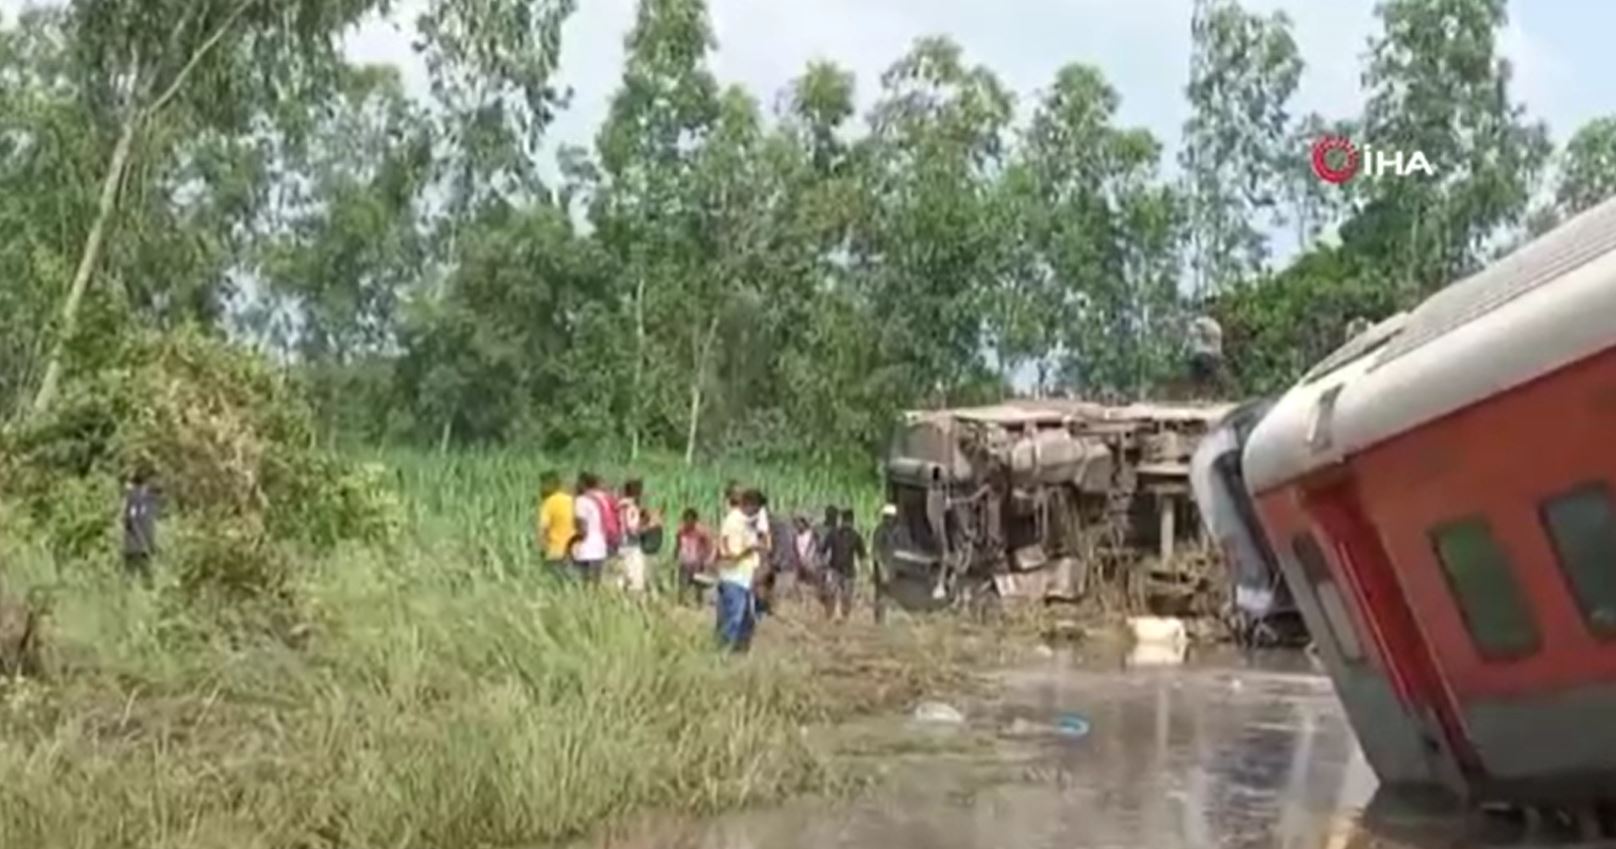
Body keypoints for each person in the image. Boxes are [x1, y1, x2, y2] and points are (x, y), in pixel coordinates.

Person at [716, 489, 763, 652]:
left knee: (743, 620)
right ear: (749, 505)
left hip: (742, 578)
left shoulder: (745, 523)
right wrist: (750, 550)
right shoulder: (735, 523)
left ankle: (734, 654)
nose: (757, 512)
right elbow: (732, 555)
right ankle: (724, 653)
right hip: (734, 577)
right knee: (732, 620)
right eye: (756, 508)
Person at [822, 507, 865, 622]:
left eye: (847, 521)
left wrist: (864, 572)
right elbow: (824, 550)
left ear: (851, 521)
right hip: (834, 569)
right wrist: (824, 566)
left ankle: (844, 620)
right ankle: (829, 617)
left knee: (846, 597)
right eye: (845, 521)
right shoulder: (834, 534)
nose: (846, 524)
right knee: (831, 594)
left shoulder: (855, 536)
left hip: (848, 571)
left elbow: (862, 556)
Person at [618, 478, 659, 594]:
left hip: (621, 544)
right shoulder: (631, 508)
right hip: (632, 546)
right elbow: (633, 530)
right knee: (635, 582)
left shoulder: (620, 507)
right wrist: (649, 527)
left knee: (624, 576)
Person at [121, 466, 160, 584]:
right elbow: (133, 520)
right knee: (145, 578)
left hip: (136, 546)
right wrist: (147, 543)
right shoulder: (142, 499)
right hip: (140, 546)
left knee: (133, 578)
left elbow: (129, 519)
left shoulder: (137, 498)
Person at [571, 472, 610, 583]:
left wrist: (573, 543)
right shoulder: (603, 499)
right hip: (601, 546)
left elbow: (582, 528)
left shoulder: (581, 501)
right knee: (596, 582)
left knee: (585, 583)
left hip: (586, 548)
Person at [536, 471, 575, 578]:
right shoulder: (571, 500)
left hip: (556, 552)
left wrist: (543, 548)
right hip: (574, 551)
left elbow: (542, 529)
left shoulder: (549, 503)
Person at [675, 508, 716, 605]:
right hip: (685, 561)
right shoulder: (681, 532)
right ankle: (682, 602)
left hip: (697, 561)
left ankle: (699, 602)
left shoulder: (700, 532)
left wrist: (707, 559)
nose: (688, 522)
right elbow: (678, 545)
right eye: (686, 520)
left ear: (695, 520)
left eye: (691, 520)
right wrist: (675, 555)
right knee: (683, 583)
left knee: (698, 584)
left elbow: (708, 545)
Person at [871, 504, 901, 625]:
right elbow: (876, 552)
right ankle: (879, 621)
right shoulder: (880, 531)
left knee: (889, 594)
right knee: (881, 594)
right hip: (882, 567)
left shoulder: (895, 531)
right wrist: (882, 569)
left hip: (890, 566)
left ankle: (886, 620)